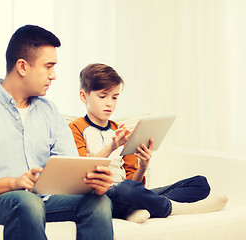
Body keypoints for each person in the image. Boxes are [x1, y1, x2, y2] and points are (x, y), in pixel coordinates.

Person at [0, 26, 114, 240]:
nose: (54, 76)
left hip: (39, 201)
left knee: (98, 201)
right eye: (48, 67)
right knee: (27, 201)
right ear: (23, 67)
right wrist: (14, 183)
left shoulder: (50, 111)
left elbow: (70, 166)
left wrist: (92, 183)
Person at [68, 63, 228, 223]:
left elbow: (133, 182)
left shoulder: (121, 131)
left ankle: (137, 207)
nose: (109, 103)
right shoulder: (75, 127)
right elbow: (83, 170)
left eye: (114, 97)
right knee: (125, 190)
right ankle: (174, 208)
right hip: (102, 195)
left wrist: (144, 164)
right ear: (84, 96)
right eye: (102, 96)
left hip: (129, 191)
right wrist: (112, 146)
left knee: (200, 183)